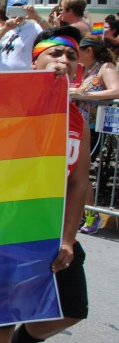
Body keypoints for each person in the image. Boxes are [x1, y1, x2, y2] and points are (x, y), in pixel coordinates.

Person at [0, 25, 90, 343]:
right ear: (35, 61)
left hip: (55, 234)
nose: (63, 62)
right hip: (9, 230)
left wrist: (68, 237)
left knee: (73, 309)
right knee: (2, 314)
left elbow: (80, 182)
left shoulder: (77, 117)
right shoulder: (11, 105)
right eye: (54, 55)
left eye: (71, 57)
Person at [69, 36, 119, 233]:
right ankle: (81, 214)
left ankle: (92, 216)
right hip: (77, 127)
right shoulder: (85, 70)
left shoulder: (105, 67)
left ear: (89, 51)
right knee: (73, 170)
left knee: (81, 171)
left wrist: (85, 95)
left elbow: (116, 91)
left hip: (93, 130)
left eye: (77, 49)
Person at [0, 0, 45, 71]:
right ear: (8, 11)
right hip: (1, 77)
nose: (17, 14)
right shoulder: (1, 29)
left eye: (20, 9)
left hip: (24, 76)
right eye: (14, 9)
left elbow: (54, 34)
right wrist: (5, 29)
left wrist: (37, 17)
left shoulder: (34, 27)